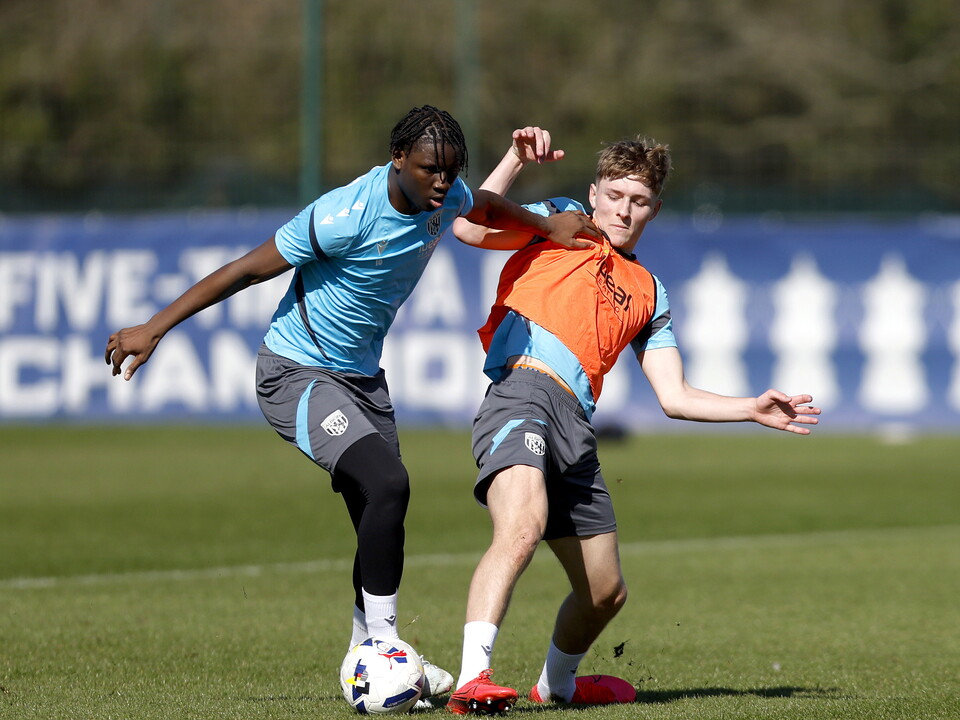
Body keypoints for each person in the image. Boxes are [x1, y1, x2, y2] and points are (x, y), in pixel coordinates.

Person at [104, 107, 601, 701]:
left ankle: (368, 654)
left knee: (376, 511)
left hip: (363, 382)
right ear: (397, 160)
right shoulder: (344, 215)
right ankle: (386, 648)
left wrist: (548, 227)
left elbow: (486, 209)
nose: (440, 183)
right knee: (388, 482)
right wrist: (155, 328)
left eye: (450, 171)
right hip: (297, 373)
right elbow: (244, 270)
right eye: (427, 170)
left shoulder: (445, 194)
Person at [445, 127, 821, 714]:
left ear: (655, 209)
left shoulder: (649, 291)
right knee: (521, 526)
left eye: (639, 200)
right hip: (521, 394)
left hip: (575, 421)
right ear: (594, 193)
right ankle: (474, 677)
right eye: (616, 195)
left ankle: (558, 688)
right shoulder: (560, 220)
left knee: (604, 593)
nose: (624, 209)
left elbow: (674, 396)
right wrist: (515, 160)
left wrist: (749, 407)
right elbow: (468, 226)